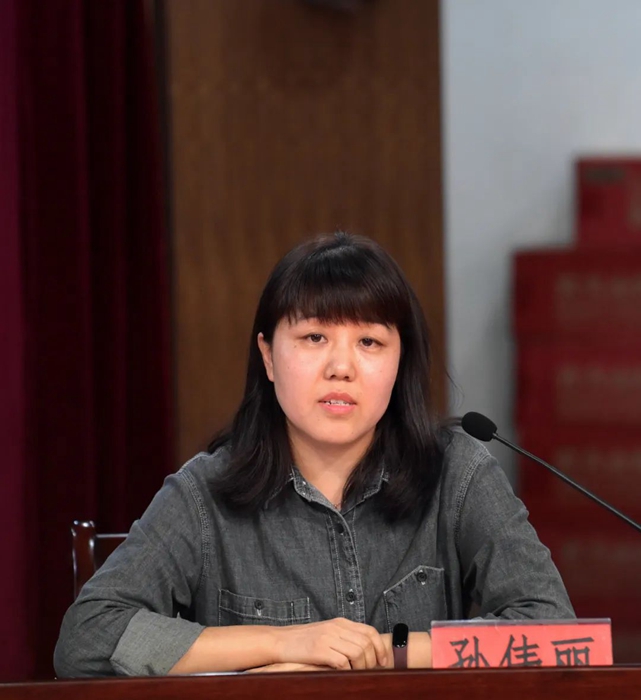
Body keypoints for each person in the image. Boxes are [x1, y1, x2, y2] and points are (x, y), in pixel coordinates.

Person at [54, 232, 574, 677]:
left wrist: (388, 651)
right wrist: (285, 643)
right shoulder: (203, 494)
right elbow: (87, 637)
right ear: (268, 357)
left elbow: (556, 632)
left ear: (400, 362)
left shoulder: (457, 473)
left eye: (369, 342)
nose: (341, 367)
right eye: (314, 336)